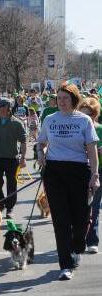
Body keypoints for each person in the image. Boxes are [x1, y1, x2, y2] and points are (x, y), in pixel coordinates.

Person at [37, 84, 100, 280]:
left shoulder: (84, 121)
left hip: (79, 171)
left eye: (65, 98)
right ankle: (65, 265)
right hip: (55, 172)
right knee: (61, 221)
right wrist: (40, 154)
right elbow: (41, 142)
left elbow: (91, 150)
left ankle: (78, 245)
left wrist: (95, 175)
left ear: (74, 99)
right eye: (59, 98)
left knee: (81, 220)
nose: (61, 101)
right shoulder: (49, 119)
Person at [0, 98, 26, 219]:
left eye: (3, 107)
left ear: (9, 108)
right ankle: (1, 203)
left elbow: (23, 141)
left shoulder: (17, 123)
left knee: (11, 184)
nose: (1, 109)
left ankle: (10, 208)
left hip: (11, 159)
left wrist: (23, 157)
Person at [77, 97, 102, 255]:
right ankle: (79, 237)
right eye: (83, 114)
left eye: (89, 115)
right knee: (80, 207)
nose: (86, 118)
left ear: (95, 115)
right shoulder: (78, 128)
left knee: (94, 207)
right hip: (80, 170)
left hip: (98, 172)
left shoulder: (100, 129)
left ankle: (92, 240)